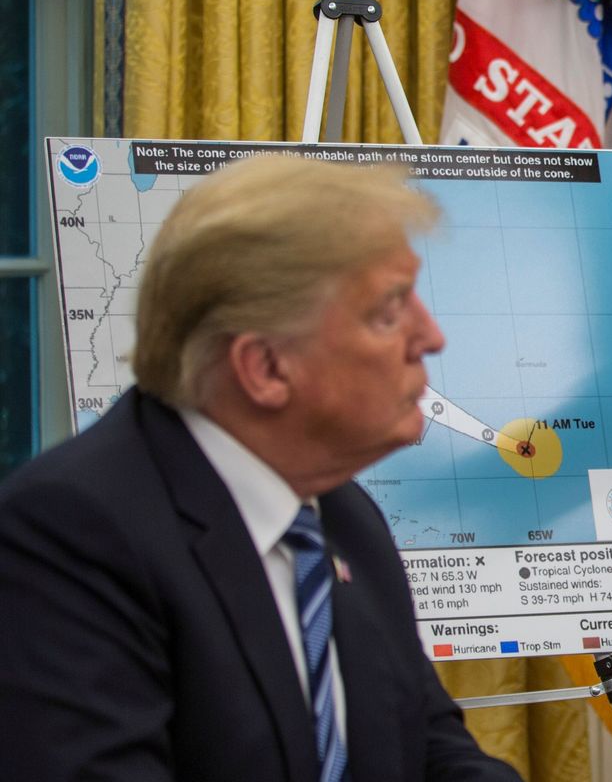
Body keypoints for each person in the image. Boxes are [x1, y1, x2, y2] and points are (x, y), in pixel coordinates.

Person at [0, 154, 518, 782]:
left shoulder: (344, 513)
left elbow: (432, 748)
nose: (431, 337)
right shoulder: (70, 533)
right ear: (266, 368)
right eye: (389, 311)